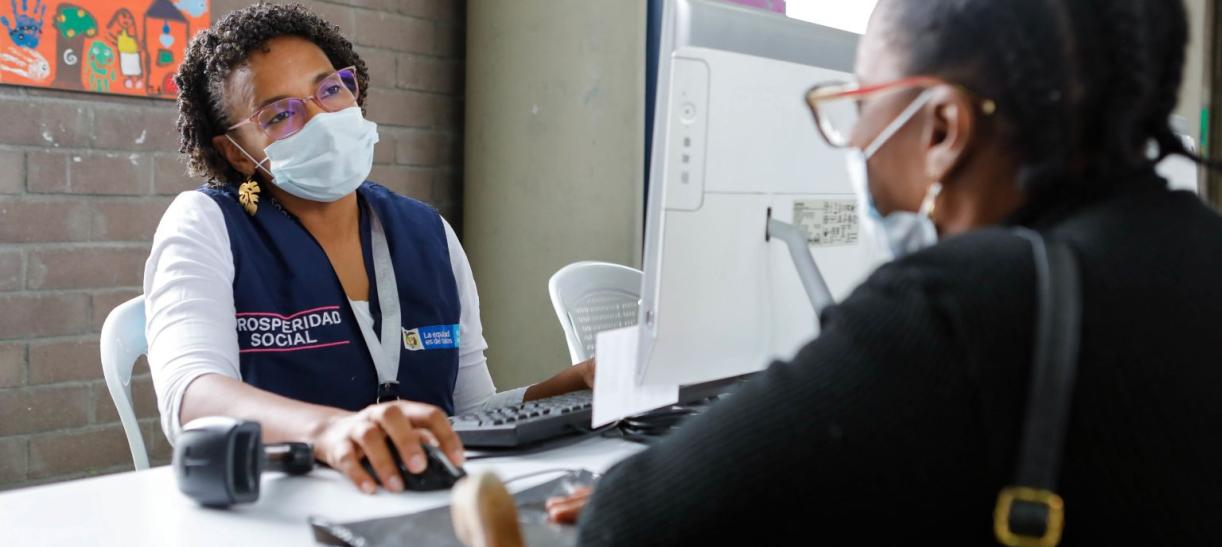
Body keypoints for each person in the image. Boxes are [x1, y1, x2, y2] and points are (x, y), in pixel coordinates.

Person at [457, 0, 1222, 544]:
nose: (852, 142)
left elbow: (633, 521)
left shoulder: (959, 303)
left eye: (859, 106)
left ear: (943, 128)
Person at [145, 3, 594, 495]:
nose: (322, 118)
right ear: (236, 152)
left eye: (330, 89)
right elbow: (191, 396)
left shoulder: (429, 234)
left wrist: (568, 389)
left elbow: (468, 412)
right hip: (290, 509)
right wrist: (327, 430)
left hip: (421, 503)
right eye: (280, 115)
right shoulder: (209, 225)